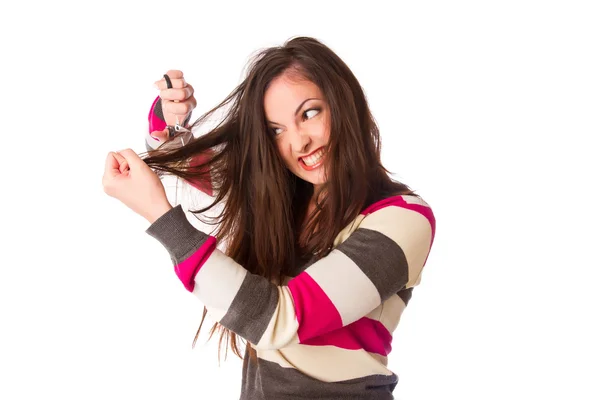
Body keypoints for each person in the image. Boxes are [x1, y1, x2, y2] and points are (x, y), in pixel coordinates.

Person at [102, 36, 436, 399]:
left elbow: (279, 319)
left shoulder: (403, 218)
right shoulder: (284, 200)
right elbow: (187, 162)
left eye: (309, 113)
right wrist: (172, 121)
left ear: (345, 104)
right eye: (276, 130)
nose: (299, 144)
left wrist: (161, 217)